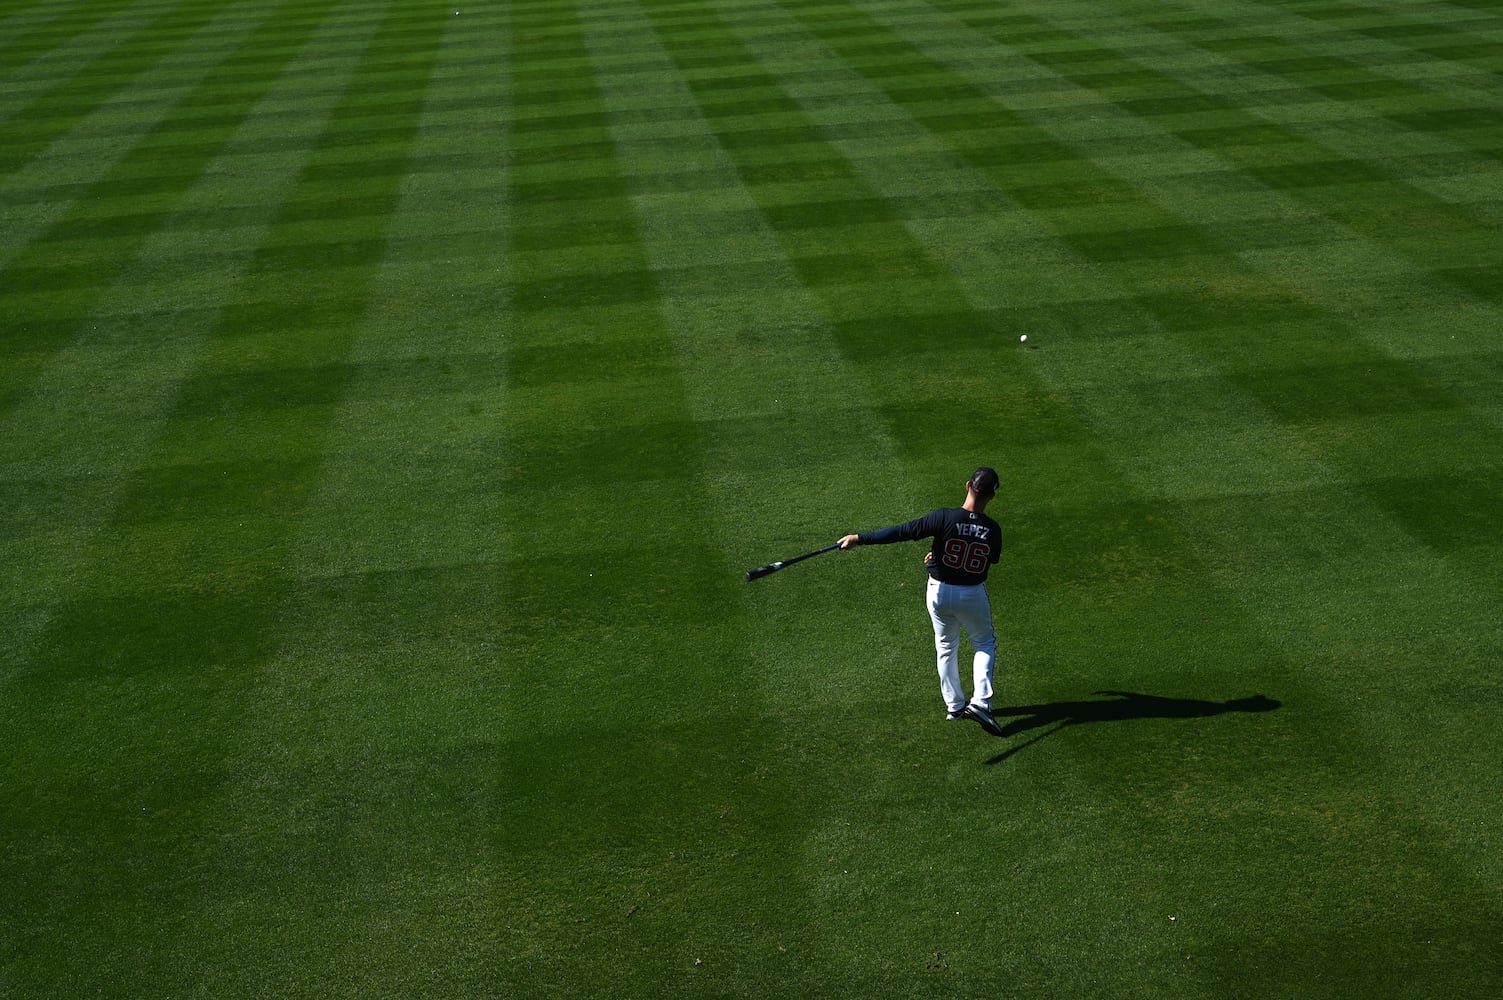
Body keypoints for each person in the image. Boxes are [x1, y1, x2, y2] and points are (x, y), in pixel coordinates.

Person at [838, 467, 1006, 737]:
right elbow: (989, 560)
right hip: (972, 595)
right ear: (992, 497)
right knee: (984, 643)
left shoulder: (944, 517)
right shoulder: (993, 529)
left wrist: (860, 538)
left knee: (946, 646)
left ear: (967, 486)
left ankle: (954, 706)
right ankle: (981, 703)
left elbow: (903, 531)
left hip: (938, 593)